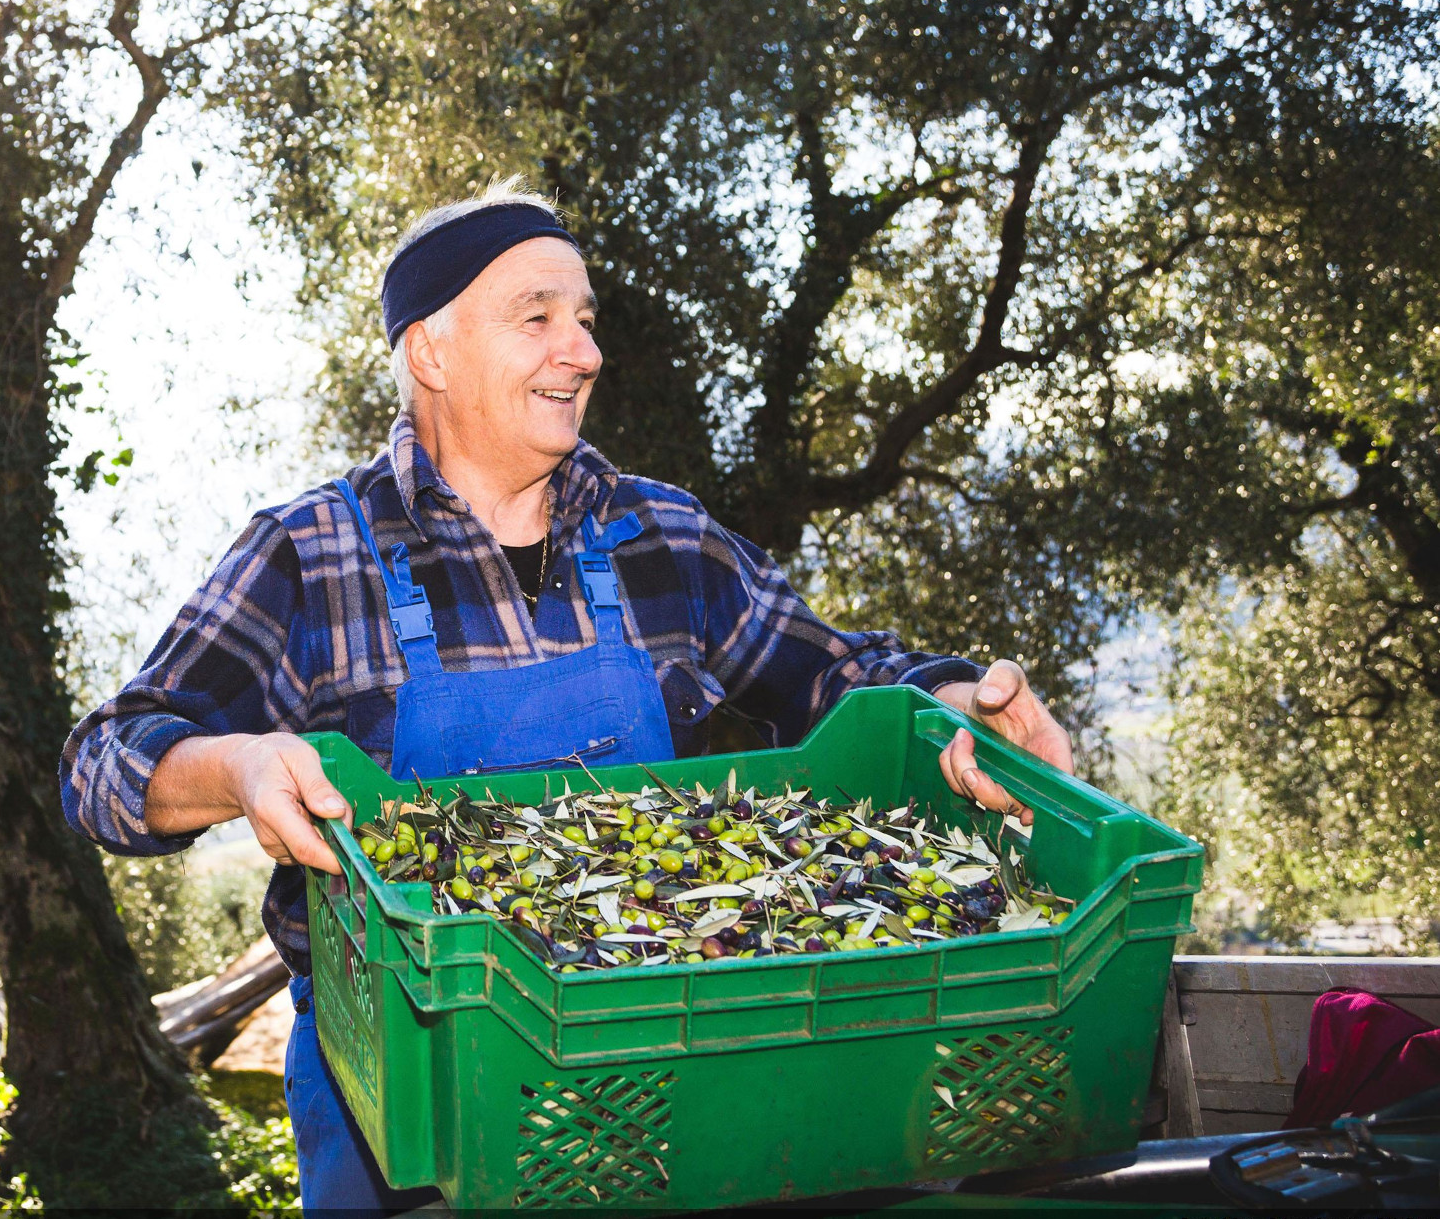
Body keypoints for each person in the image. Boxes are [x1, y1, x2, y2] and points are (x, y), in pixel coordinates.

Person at [58, 179, 1074, 1213]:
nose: (581, 350)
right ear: (431, 352)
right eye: (536, 317)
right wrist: (238, 763)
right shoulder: (310, 556)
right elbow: (104, 760)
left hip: (664, 1082)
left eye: (584, 320)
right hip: (412, 1109)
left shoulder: (661, 535)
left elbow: (828, 672)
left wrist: (951, 698)